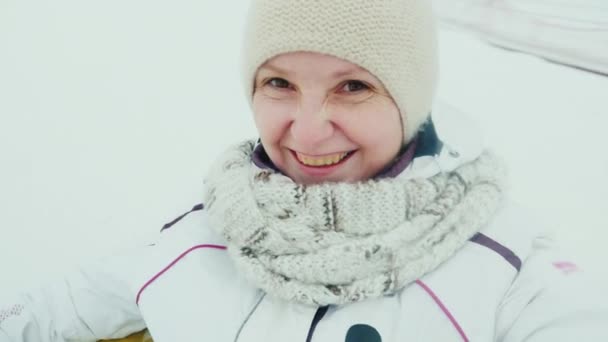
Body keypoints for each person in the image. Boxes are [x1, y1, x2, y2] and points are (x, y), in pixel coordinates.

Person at [2, 0, 607, 341]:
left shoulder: (504, 266)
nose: (309, 129)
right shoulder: (205, 226)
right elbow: (51, 312)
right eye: (279, 84)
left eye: (352, 86)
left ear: (411, 97)